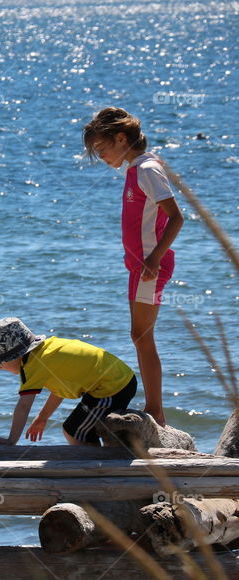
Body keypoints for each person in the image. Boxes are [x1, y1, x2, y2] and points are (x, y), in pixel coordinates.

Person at [83, 107, 184, 426]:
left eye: (102, 149)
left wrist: (154, 258)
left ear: (121, 138)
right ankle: (155, 407)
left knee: (142, 335)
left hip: (149, 267)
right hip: (140, 268)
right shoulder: (139, 168)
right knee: (139, 334)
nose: (101, 157)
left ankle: (156, 409)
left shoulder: (147, 169)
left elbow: (177, 217)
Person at [0, 317, 137, 447]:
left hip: (111, 387)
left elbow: (23, 406)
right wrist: (42, 418)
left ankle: (94, 469)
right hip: (116, 380)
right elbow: (59, 389)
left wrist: (11, 441)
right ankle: (98, 460)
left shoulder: (32, 366)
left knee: (75, 432)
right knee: (75, 429)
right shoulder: (46, 352)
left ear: (13, 357)